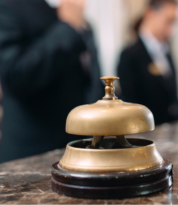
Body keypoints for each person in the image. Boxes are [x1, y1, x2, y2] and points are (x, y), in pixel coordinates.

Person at [0, 0, 103, 163]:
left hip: (78, 149)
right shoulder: (10, 6)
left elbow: (90, 79)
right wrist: (68, 27)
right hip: (32, 156)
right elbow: (14, 76)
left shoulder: (80, 19)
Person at [117, 0, 178, 125]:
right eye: (169, 21)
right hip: (148, 131)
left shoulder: (166, 52)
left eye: (175, 23)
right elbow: (131, 104)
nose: (172, 30)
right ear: (150, 14)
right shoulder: (130, 55)